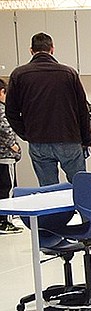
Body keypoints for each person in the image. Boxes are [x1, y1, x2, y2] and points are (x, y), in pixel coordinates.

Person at [5, 32, 91, 186]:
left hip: (38, 141)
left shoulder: (19, 75)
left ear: (31, 50)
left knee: (49, 191)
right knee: (80, 187)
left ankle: (55, 211)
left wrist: (27, 134)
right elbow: (82, 110)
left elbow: (11, 112)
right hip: (69, 139)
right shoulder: (68, 73)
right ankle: (80, 211)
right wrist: (86, 141)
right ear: (52, 49)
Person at [0, 78, 22, 234]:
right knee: (8, 188)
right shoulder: (1, 109)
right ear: (2, 92)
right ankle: (5, 222)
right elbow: (5, 128)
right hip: (5, 155)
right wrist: (14, 146)